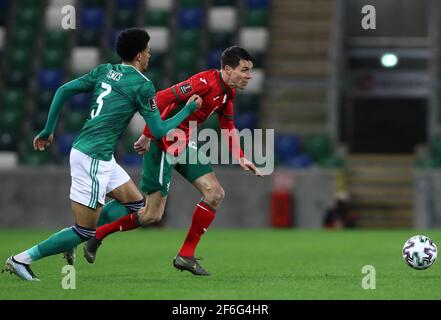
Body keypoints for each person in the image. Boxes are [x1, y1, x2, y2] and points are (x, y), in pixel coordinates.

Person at [2, 28, 201, 281]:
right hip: (92, 157)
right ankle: (21, 259)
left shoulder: (105, 70)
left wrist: (48, 129)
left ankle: (77, 236)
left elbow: (63, 90)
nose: (150, 55)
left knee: (137, 205)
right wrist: (189, 109)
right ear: (139, 55)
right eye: (148, 51)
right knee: (84, 230)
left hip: (99, 155)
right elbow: (160, 129)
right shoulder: (142, 85)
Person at [82, 46, 263, 276]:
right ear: (228, 69)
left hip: (183, 143)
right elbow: (159, 97)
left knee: (215, 193)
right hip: (162, 144)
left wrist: (241, 156)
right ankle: (98, 235)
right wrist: (148, 134)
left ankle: (185, 255)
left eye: (250, 71)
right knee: (152, 215)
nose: (249, 76)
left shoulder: (229, 92)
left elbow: (228, 126)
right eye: (245, 70)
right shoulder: (203, 83)